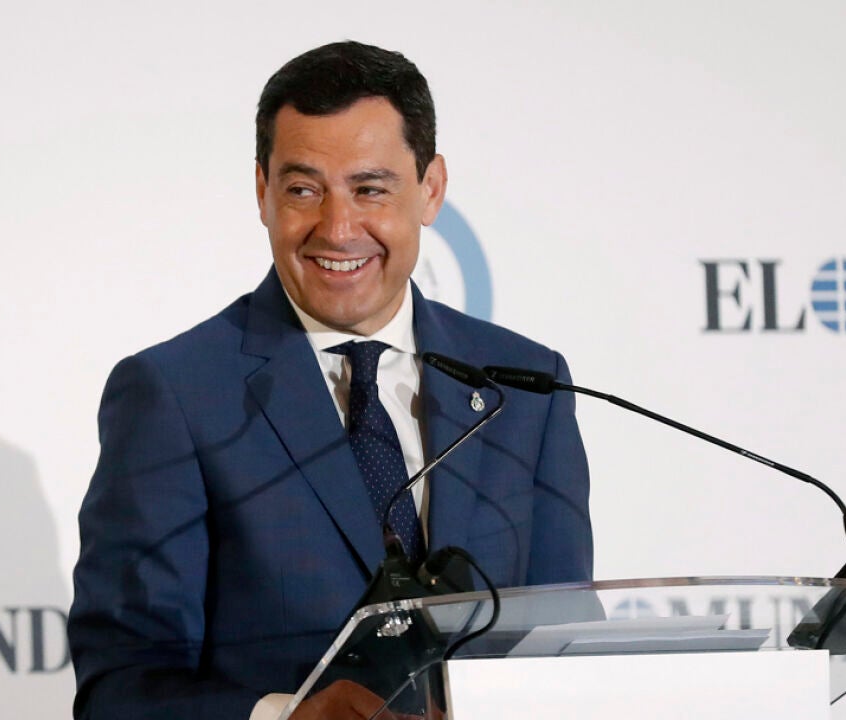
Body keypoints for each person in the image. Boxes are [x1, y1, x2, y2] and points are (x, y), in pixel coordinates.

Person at [68, 41, 593, 720]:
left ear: (430, 189)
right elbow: (120, 690)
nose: (338, 229)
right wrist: (283, 717)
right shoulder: (175, 393)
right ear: (262, 192)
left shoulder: (525, 388)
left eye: (369, 189)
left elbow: (565, 647)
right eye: (303, 190)